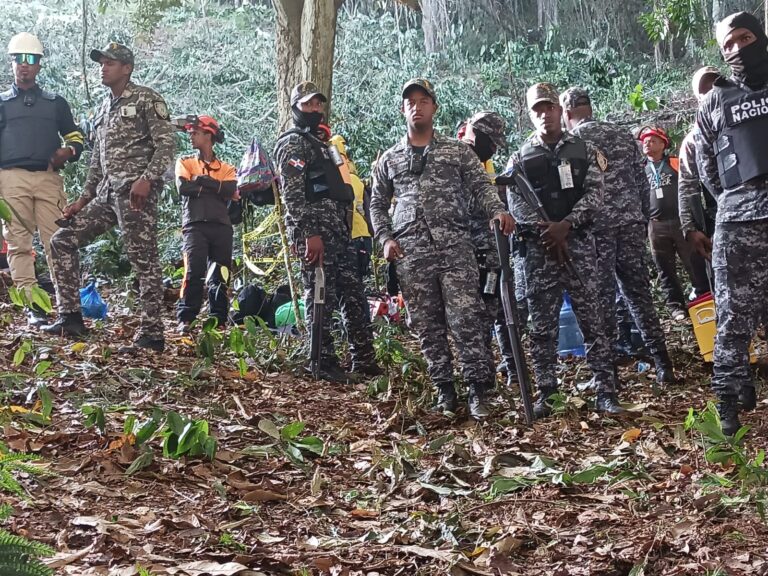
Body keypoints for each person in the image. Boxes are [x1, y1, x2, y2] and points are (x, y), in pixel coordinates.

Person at [370, 78, 514, 420]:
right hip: (411, 254)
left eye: (423, 100)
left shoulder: (457, 151)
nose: (416, 106)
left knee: (466, 319)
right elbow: (376, 203)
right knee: (427, 325)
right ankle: (445, 392)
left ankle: (478, 391)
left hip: (455, 249)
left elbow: (480, 186)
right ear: (402, 109)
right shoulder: (388, 159)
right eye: (410, 102)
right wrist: (385, 239)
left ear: (434, 107)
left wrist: (497, 211)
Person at [42, 43, 175, 352]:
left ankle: (152, 335)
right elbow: (96, 163)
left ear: (126, 68)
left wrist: (146, 179)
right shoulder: (103, 108)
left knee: (144, 260)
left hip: (135, 196)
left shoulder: (146, 99)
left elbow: (167, 145)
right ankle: (71, 316)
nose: (103, 67)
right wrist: (81, 200)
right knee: (62, 240)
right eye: (101, 62)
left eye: (110, 63)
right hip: (105, 196)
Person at [506, 82, 622, 418]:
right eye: (537, 109)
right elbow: (517, 202)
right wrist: (548, 232)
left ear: (561, 109)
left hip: (580, 246)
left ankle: (605, 391)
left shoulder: (583, 149)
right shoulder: (520, 158)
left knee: (593, 319)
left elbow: (595, 193)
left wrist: (567, 225)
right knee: (542, 327)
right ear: (530, 115)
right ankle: (547, 393)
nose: (545, 114)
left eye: (550, 107)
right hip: (541, 251)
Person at [560, 87, 677, 386]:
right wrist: (638, 216)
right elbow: (642, 180)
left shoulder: (573, 142)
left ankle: (609, 375)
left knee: (602, 300)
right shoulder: (623, 135)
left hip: (595, 229)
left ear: (567, 112)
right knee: (639, 295)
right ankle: (664, 365)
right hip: (630, 225)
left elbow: (571, 188)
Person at [273, 81, 380, 382]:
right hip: (316, 234)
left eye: (318, 104)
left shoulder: (322, 144)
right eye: (308, 104)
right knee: (320, 295)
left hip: (338, 233)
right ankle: (321, 362)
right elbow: (292, 196)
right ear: (295, 107)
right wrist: (309, 233)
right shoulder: (293, 143)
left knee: (354, 295)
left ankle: (364, 359)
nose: (314, 109)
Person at [694, 12, 768, 434]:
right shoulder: (715, 101)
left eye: (745, 37)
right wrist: (733, 202)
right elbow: (706, 165)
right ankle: (727, 407)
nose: (739, 48)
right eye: (729, 45)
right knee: (733, 320)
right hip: (740, 224)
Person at [0, 32, 85, 326]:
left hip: (48, 178)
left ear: (38, 66)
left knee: (57, 241)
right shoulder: (2, 103)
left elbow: (75, 135)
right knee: (19, 243)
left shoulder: (55, 103)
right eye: (19, 60)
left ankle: (67, 307)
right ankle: (32, 307)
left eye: (31, 60)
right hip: (10, 178)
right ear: (11, 64)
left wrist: (69, 150)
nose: (25, 65)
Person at [458, 111, 517, 388]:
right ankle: (482, 380)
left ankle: (510, 368)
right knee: (480, 318)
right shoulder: (458, 159)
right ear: (477, 134)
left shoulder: (480, 163)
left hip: (492, 251)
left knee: (501, 311)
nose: (493, 149)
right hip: (472, 255)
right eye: (490, 142)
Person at [640, 126, 710, 319]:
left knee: (693, 261)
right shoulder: (641, 169)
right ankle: (675, 306)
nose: (647, 143)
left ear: (663, 144)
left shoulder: (673, 162)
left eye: (653, 140)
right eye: (645, 141)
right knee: (664, 266)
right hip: (656, 224)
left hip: (680, 221)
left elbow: (690, 185)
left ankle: (704, 297)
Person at [175, 115, 237, 333]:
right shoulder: (185, 162)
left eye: (195, 133)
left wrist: (202, 182)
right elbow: (183, 188)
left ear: (208, 135)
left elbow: (231, 191)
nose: (191, 136)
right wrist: (215, 187)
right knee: (194, 270)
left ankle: (218, 319)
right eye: (190, 132)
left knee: (221, 272)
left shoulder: (226, 167)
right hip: (194, 224)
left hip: (221, 226)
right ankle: (186, 317)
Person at [679, 66, 721, 261]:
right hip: (718, 223)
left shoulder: (744, 121)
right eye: (704, 90)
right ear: (698, 98)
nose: (711, 93)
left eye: (715, 85)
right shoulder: (692, 141)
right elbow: (686, 186)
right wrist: (689, 229)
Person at [329, 134, 373, 280]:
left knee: (353, 284)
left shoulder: (349, 179)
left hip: (355, 235)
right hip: (356, 235)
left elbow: (351, 208)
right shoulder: (351, 178)